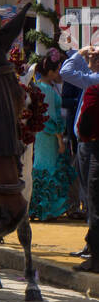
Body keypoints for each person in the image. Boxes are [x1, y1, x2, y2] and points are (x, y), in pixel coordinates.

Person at [60, 44, 99, 271]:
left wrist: (80, 53)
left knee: (92, 198)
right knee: (89, 197)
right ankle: (90, 244)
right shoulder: (92, 78)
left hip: (92, 145)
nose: (91, 59)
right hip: (86, 143)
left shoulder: (95, 80)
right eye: (91, 56)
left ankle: (93, 248)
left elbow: (66, 72)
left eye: (94, 57)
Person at [28, 49, 74, 221]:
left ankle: (38, 208)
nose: (59, 73)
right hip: (48, 136)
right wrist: (60, 140)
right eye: (58, 70)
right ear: (51, 71)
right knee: (49, 169)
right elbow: (50, 118)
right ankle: (45, 210)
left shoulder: (39, 86)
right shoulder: (46, 89)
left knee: (40, 168)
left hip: (41, 135)